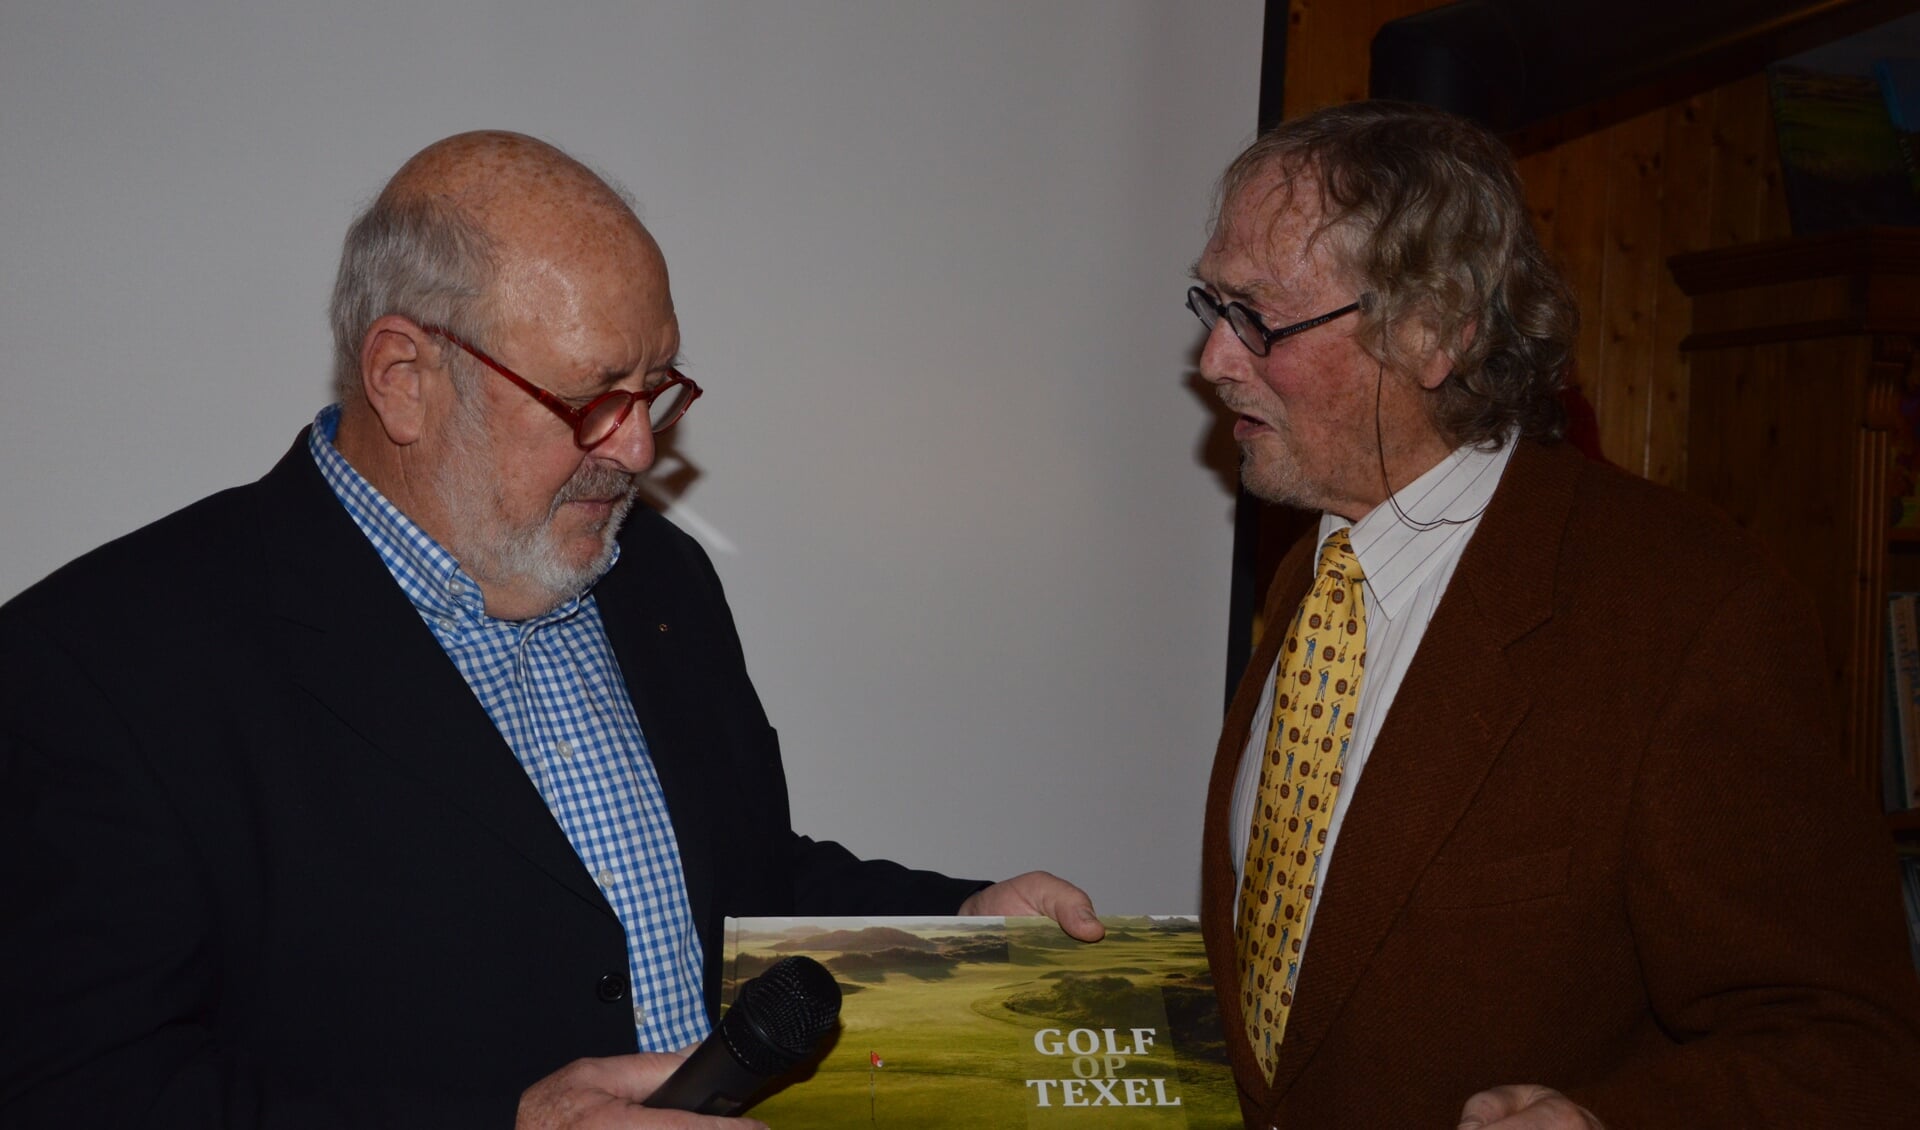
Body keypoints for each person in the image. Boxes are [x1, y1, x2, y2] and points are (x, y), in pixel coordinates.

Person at [0, 131, 1100, 1129]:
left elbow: (726, 883)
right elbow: (76, 1090)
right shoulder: (98, 664)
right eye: (590, 397)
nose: (634, 449)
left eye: (655, 389)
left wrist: (959, 925)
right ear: (404, 377)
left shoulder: (653, 572)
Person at [1191, 101, 1920, 1129]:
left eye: (1258, 316)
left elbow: (1849, 1045)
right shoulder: (1307, 574)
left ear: (1436, 330)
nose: (1217, 358)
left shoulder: (1686, 612)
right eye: (1211, 305)